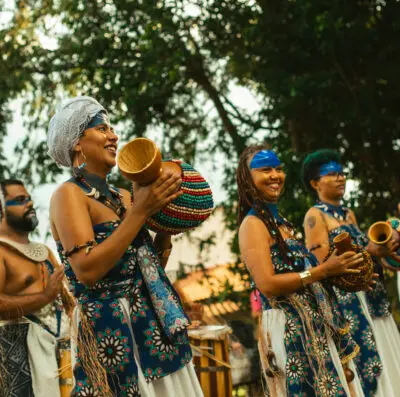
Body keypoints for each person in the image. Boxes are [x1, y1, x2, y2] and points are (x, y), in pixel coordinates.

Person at [47, 96, 204, 397]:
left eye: (112, 128)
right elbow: (87, 271)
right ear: (76, 142)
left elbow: (146, 267)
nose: (113, 136)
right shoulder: (69, 196)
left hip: (153, 326)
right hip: (112, 328)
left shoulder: (124, 196)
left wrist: (168, 226)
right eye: (101, 128)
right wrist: (142, 212)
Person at [237, 145, 365, 396]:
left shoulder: (281, 222)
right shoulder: (252, 225)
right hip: (289, 331)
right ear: (247, 178)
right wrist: (322, 272)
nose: (275, 175)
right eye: (265, 170)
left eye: (278, 169)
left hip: (313, 329)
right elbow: (268, 285)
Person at [302, 149, 400, 396]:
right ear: (315, 183)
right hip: (350, 305)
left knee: (389, 357)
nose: (340, 178)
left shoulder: (348, 214)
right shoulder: (314, 215)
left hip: (373, 299)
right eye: (332, 174)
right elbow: (322, 263)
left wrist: (385, 254)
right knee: (369, 366)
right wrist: (370, 250)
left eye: (342, 174)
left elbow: (368, 252)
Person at [0, 179, 71, 397]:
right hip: (23, 357)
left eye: (29, 198)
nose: (29, 204)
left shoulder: (45, 252)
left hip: (64, 353)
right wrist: (44, 296)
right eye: (20, 200)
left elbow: (67, 299)